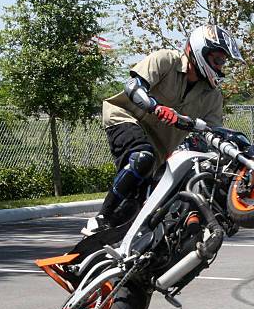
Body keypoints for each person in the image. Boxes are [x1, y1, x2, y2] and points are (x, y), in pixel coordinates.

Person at [82, 24, 244, 235]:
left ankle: (116, 241)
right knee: (142, 158)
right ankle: (101, 218)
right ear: (200, 51)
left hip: (160, 145)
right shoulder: (166, 60)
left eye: (223, 62)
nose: (220, 66)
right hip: (127, 117)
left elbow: (213, 132)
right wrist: (155, 107)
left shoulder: (213, 96)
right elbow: (134, 87)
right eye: (218, 60)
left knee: (143, 201)